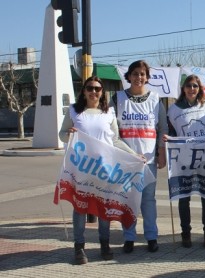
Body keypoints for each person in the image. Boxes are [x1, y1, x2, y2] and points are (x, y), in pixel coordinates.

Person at [59, 76, 139, 264]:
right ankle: (79, 247)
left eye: (97, 89)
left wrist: (134, 155)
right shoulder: (74, 111)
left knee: (104, 208)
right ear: (84, 91)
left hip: (104, 169)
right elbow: (62, 134)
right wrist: (67, 135)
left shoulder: (108, 112)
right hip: (81, 168)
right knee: (80, 208)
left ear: (102, 92)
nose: (94, 92)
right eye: (90, 88)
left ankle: (105, 243)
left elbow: (115, 140)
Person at [111, 60, 168, 253]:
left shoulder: (155, 99)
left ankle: (151, 236)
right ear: (129, 76)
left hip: (149, 159)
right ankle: (129, 237)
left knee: (148, 199)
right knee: (128, 199)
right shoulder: (117, 98)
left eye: (142, 74)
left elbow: (162, 129)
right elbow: (110, 128)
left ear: (147, 77)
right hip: (126, 160)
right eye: (135, 74)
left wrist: (161, 153)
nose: (139, 77)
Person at [166, 74, 205, 248]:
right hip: (183, 158)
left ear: (199, 88)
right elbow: (171, 132)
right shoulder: (173, 109)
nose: (192, 89)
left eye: (195, 86)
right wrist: (168, 139)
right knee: (183, 197)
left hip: (204, 158)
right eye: (188, 86)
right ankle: (185, 232)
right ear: (183, 88)